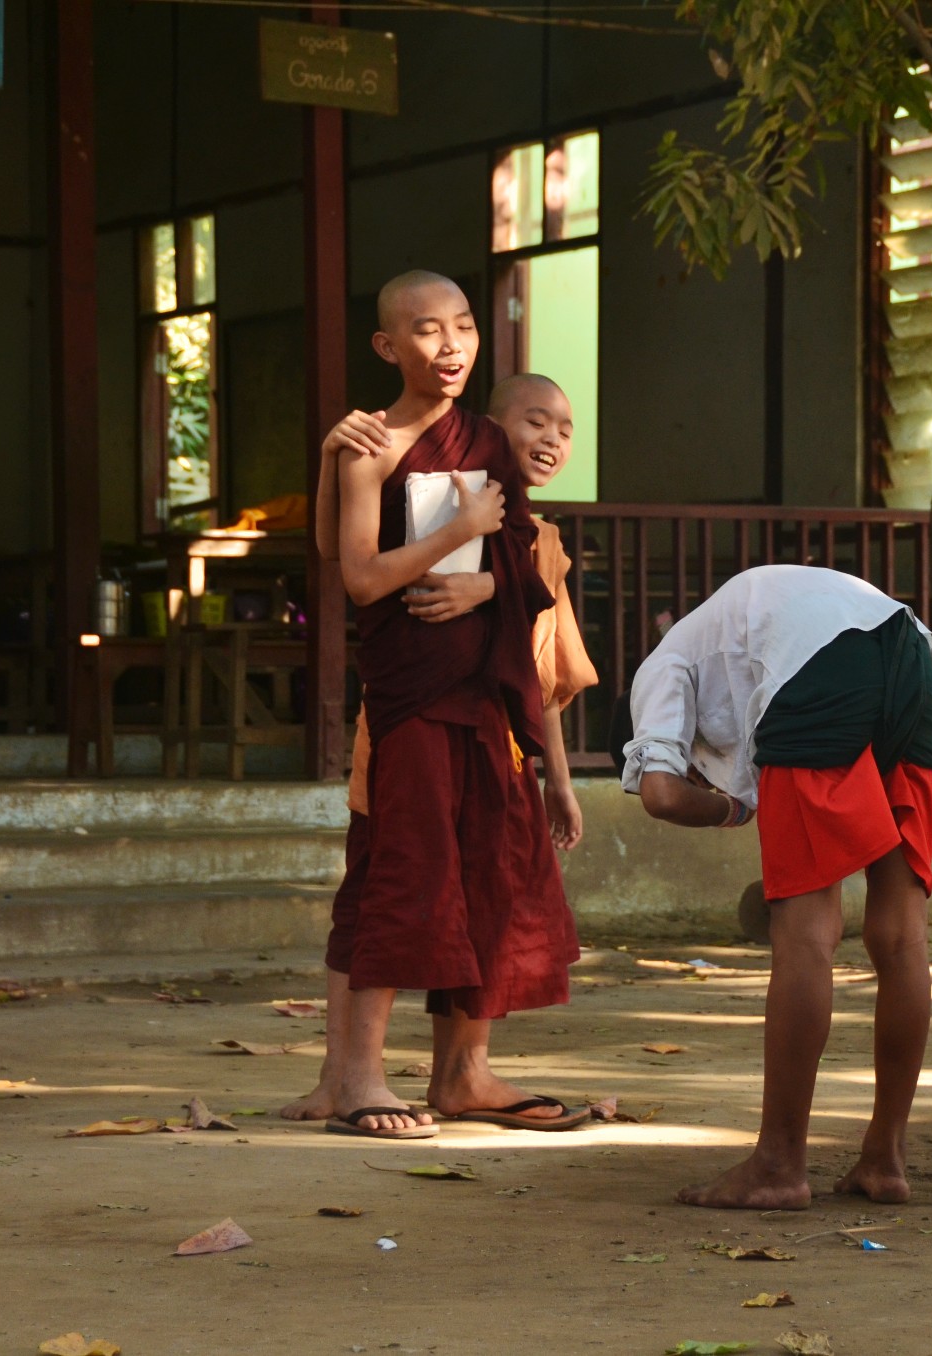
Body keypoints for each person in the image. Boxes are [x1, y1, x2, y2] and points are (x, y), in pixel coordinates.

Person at [301, 270, 582, 1139]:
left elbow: (519, 568)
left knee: (491, 872)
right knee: (406, 871)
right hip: (412, 699)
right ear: (390, 347)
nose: (451, 344)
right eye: (428, 330)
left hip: (486, 698)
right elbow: (358, 575)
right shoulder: (368, 443)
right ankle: (359, 1081)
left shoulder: (486, 442)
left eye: (463, 325)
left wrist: (481, 593)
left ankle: (464, 1077)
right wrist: (456, 537)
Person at [622, 565, 932, 1210]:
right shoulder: (773, 609)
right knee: (901, 937)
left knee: (807, 938)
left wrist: (735, 810)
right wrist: (864, 781)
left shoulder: (664, 662)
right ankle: (885, 1159)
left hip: (814, 687)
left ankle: (779, 1165)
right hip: (905, 652)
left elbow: (663, 792)